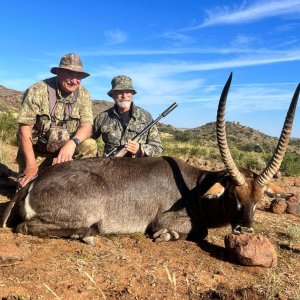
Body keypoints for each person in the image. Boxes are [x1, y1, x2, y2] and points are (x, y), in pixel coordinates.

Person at [17, 53, 97, 187]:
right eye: (70, 74)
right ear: (59, 72)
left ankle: (75, 184)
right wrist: (31, 166)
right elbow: (24, 130)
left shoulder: (84, 94)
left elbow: (87, 126)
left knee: (89, 145)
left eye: (79, 76)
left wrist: (72, 143)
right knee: (23, 190)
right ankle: (28, 173)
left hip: (65, 148)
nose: (75, 80)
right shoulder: (37, 90)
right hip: (36, 145)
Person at [93, 75, 163, 157]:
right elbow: (87, 139)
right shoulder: (103, 117)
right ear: (113, 95)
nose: (124, 96)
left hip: (138, 166)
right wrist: (96, 160)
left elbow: (158, 148)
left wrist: (140, 149)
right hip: (110, 166)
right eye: (120, 92)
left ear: (132, 94)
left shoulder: (146, 117)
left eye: (128, 92)